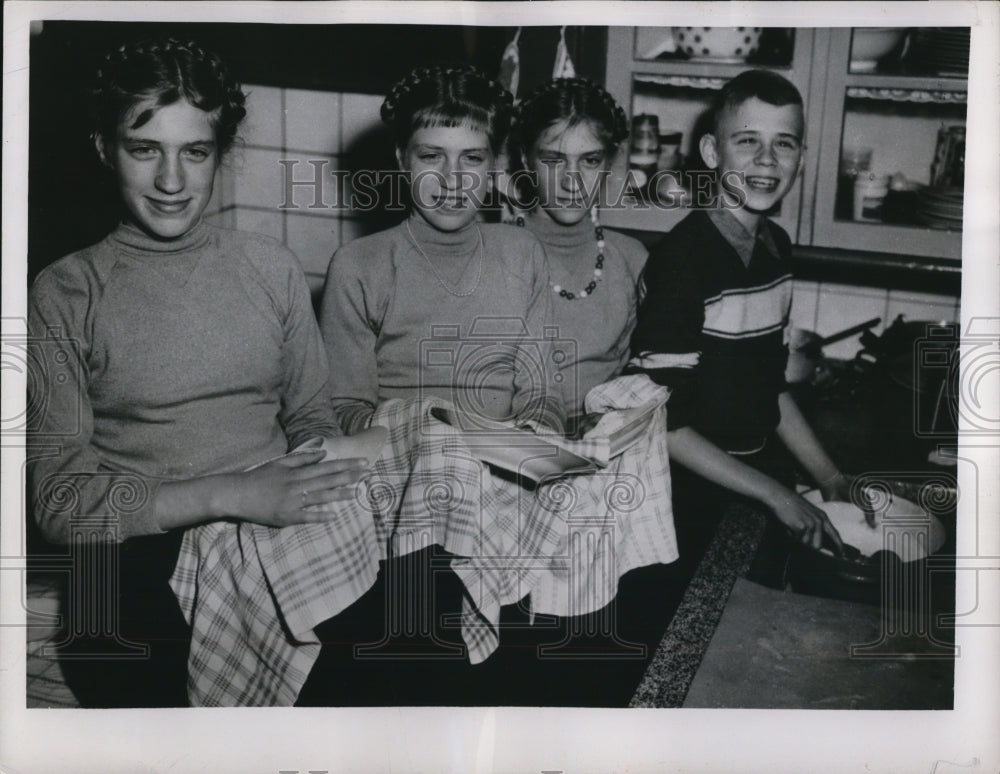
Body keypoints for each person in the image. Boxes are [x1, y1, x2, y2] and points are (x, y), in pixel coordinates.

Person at [26, 38, 367, 707]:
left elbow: (310, 417)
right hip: (133, 551)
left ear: (222, 154)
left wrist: (315, 476)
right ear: (103, 148)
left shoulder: (270, 269)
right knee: (131, 666)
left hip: (266, 524)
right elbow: (60, 499)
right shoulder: (65, 292)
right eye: (143, 148)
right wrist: (227, 496)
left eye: (196, 151)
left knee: (401, 633)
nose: (172, 181)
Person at [629, 69, 846, 585]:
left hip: (749, 486)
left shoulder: (776, 247)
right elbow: (662, 425)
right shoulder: (685, 263)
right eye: (747, 141)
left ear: (801, 158)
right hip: (678, 501)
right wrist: (778, 496)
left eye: (784, 144)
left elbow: (767, 387)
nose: (767, 161)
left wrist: (831, 478)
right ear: (711, 152)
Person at [509, 77, 647, 427]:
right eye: (554, 160)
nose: (571, 181)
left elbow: (638, 373)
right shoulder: (495, 252)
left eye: (589, 160)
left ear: (609, 163)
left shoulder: (631, 259)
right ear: (526, 160)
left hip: (607, 448)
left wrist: (607, 419)